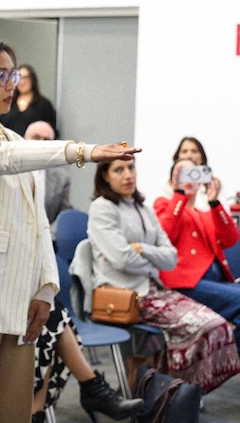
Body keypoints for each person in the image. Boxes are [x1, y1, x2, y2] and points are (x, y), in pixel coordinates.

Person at [0, 33, 139, 423]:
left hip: (17, 301)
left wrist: (44, 288)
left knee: (12, 415)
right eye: (0, 76)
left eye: (14, 75)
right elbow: (2, 159)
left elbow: (38, 222)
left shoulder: (13, 137)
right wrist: (82, 150)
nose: (11, 86)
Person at [85, 158, 240, 394]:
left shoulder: (143, 208)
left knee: (217, 325)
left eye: (131, 168)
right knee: (209, 325)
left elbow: (171, 258)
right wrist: (150, 257)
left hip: (156, 289)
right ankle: (172, 389)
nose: (128, 175)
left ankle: (159, 380)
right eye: (119, 170)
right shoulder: (103, 207)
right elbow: (122, 259)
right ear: (105, 176)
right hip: (128, 294)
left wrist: (142, 249)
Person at [154, 158, 240, 349]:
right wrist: (179, 193)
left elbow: (231, 239)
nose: (190, 179)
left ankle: (228, 358)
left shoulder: (203, 212)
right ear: (172, 180)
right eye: (184, 173)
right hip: (185, 284)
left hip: (212, 282)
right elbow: (163, 236)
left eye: (195, 173)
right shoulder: (165, 205)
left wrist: (215, 202)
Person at [24, 120, 73, 243]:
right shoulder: (10, 170)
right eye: (36, 138)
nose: (41, 143)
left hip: (47, 240)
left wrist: (46, 236)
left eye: (47, 140)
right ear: (23, 140)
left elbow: (64, 213)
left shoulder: (62, 177)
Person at [0, 64, 56, 137]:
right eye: (19, 78)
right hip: (10, 145)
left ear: (32, 80)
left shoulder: (44, 104)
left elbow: (50, 131)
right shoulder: (9, 102)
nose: (22, 82)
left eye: (25, 78)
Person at [159, 136, 211, 210]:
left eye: (194, 151)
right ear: (178, 157)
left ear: (202, 157)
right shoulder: (166, 182)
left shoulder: (213, 184)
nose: (189, 156)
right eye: (184, 151)